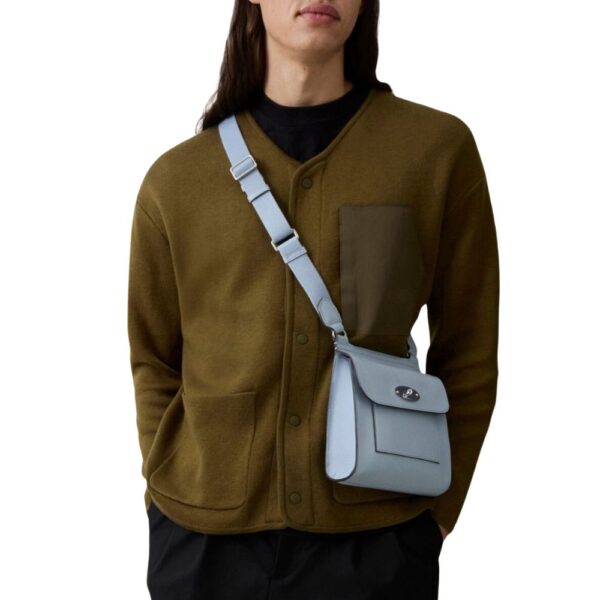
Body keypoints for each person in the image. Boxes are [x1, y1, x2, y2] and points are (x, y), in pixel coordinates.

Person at [127, 1, 500, 598]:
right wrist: (164, 495)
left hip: (378, 537)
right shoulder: (176, 181)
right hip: (201, 545)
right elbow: (153, 359)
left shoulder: (434, 152)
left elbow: (470, 351)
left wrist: (437, 514)